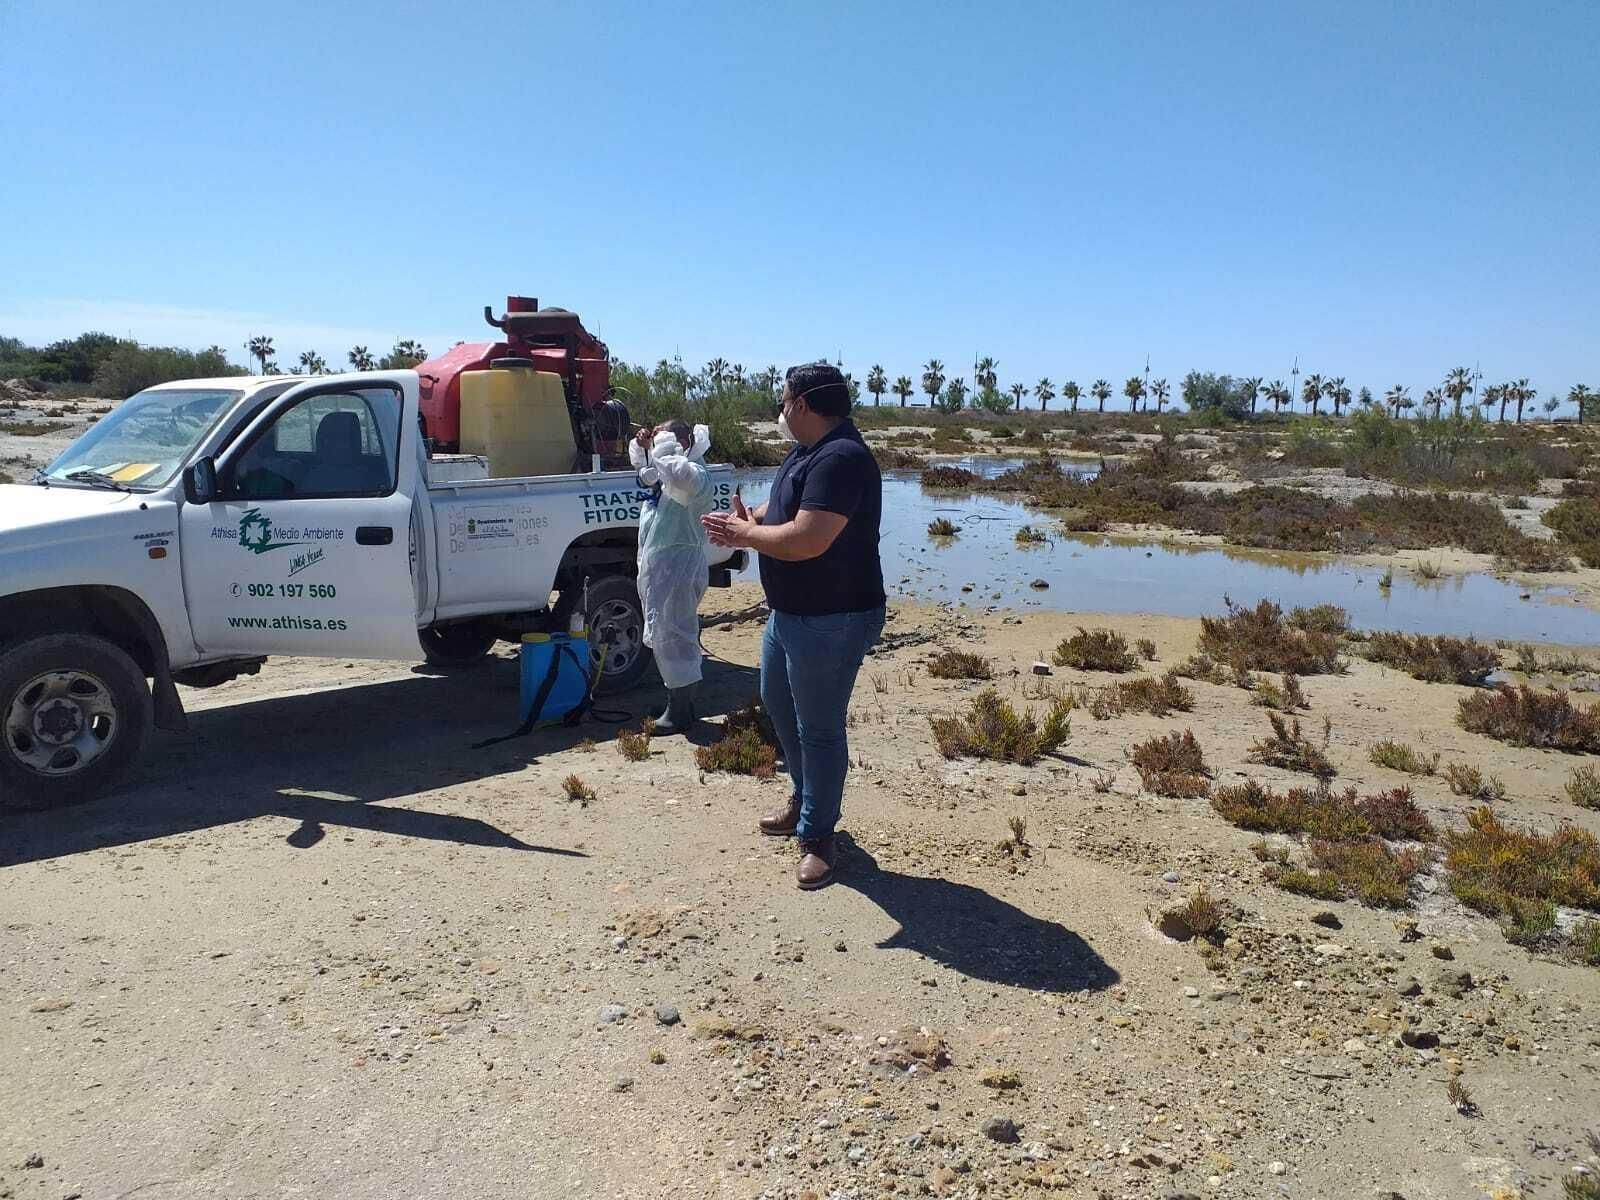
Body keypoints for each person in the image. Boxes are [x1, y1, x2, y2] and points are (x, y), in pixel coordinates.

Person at [702, 363, 884, 889]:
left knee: (819, 728)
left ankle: (819, 836)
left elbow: (808, 538)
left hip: (833, 617)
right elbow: (785, 507)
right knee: (778, 704)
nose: (780, 409)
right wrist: (752, 517)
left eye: (784, 400)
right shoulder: (807, 452)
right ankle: (806, 803)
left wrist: (743, 536)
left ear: (802, 404)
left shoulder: (842, 458)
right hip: (790, 615)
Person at [629, 419, 715, 735]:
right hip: (663, 568)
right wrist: (643, 447)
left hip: (679, 570)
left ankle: (680, 712)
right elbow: (649, 473)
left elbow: (677, 472)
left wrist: (663, 443)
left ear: (687, 441)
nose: (663, 446)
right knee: (665, 636)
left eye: (672, 440)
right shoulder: (666, 477)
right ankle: (677, 703)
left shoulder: (696, 475)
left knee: (676, 636)